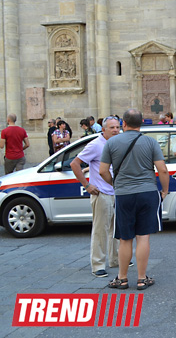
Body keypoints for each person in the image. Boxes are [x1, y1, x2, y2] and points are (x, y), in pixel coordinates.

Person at [100, 109, 169, 290]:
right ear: (141, 123)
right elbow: (162, 169)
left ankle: (122, 278)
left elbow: (102, 171)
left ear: (123, 123)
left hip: (124, 194)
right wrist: (165, 190)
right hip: (147, 192)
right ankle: (141, 278)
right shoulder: (150, 142)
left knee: (125, 238)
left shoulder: (111, 143)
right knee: (143, 236)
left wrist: (115, 184)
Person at [71, 116, 122, 278]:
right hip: (101, 193)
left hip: (117, 192)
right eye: (112, 127)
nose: (115, 130)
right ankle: (98, 264)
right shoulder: (95, 145)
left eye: (117, 127)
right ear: (104, 129)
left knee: (117, 229)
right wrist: (86, 185)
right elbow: (75, 163)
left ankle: (115, 259)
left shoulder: (117, 143)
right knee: (101, 230)